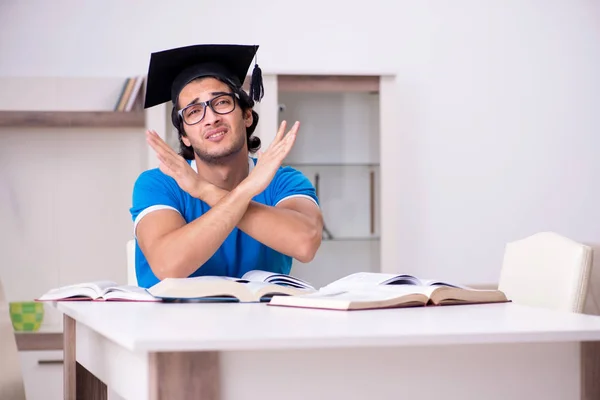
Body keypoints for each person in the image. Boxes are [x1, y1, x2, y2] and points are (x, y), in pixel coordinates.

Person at [130, 44, 323, 288]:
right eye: (193, 111)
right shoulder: (159, 184)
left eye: (221, 102)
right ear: (185, 136)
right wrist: (247, 190)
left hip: (264, 323)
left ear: (246, 116)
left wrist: (204, 190)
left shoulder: (282, 181)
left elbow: (305, 243)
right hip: (177, 323)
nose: (211, 118)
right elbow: (169, 265)